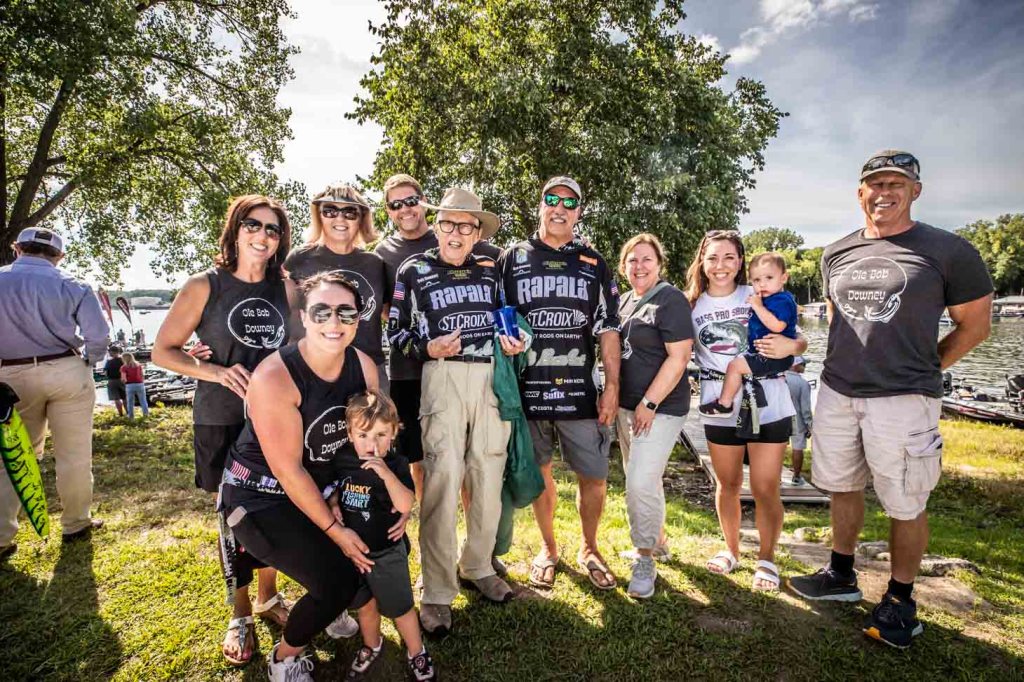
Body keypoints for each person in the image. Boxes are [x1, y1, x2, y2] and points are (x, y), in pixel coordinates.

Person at [789, 150, 993, 649]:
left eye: (896, 184)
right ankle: (840, 575)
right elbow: (839, 319)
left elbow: (975, 326)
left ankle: (901, 601)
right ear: (860, 192)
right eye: (875, 184)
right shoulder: (836, 252)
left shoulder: (949, 250)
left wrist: (928, 367)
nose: (884, 192)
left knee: (905, 501)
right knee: (842, 486)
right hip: (837, 391)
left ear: (915, 191)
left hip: (904, 398)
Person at [152, 195, 302, 666]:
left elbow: (302, 346)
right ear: (235, 230)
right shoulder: (205, 285)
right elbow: (163, 351)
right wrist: (215, 371)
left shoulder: (287, 288)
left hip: (272, 417)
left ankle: (268, 596)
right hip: (220, 415)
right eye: (253, 225)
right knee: (232, 517)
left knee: (275, 509)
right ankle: (239, 614)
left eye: (273, 229)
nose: (263, 235)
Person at [220, 272, 383, 682]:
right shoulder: (275, 377)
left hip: (319, 488)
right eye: (321, 312)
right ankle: (285, 658)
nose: (335, 322)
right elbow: (288, 470)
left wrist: (341, 496)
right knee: (336, 582)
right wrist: (336, 530)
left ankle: (331, 607)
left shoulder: (363, 368)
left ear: (358, 319)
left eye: (346, 312)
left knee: (369, 555)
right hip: (260, 496)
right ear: (304, 318)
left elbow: (360, 442)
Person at [389, 187, 523, 635]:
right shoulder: (413, 269)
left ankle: (478, 566)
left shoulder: (491, 268)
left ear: (477, 233)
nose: (456, 233)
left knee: (488, 473)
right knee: (443, 479)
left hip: (489, 376)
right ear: (437, 225)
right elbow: (396, 332)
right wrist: (427, 347)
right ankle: (437, 590)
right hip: (441, 375)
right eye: (448, 223)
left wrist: (515, 340)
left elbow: (508, 317)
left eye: (467, 226)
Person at [498, 176, 622, 591]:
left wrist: (612, 387)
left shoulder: (593, 262)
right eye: (552, 199)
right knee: (540, 473)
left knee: (595, 475)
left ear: (579, 212)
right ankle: (549, 548)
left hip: (580, 391)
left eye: (570, 203)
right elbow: (498, 316)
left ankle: (590, 547)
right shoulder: (512, 258)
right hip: (528, 390)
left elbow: (608, 328)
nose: (560, 208)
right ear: (540, 205)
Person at [686, 230, 807, 592]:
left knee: (766, 486)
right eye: (713, 258)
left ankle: (767, 559)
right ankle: (731, 550)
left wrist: (794, 346)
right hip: (719, 404)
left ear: (740, 261)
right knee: (728, 484)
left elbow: (799, 340)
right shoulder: (691, 305)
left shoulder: (758, 291)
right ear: (702, 263)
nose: (720, 265)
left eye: (729, 257)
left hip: (768, 400)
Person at [375, 174, 502, 500]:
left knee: (469, 458)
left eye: (410, 200)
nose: (405, 208)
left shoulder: (466, 242)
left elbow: (510, 259)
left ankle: (467, 516)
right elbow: (388, 312)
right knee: (422, 455)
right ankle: (426, 514)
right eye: (395, 204)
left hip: (467, 371)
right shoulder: (386, 253)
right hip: (409, 369)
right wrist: (425, 342)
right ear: (388, 211)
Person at [0, 227, 109, 556]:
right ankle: (76, 521)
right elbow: (98, 335)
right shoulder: (73, 284)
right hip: (65, 368)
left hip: (10, 372)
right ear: (59, 256)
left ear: (17, 248)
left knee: (12, 455)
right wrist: (88, 361)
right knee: (74, 454)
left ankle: (1, 535)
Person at [331, 391, 435, 680]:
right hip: (354, 554)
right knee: (365, 606)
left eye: (380, 435)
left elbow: (405, 504)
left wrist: (386, 474)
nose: (371, 444)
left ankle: (416, 652)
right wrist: (334, 502)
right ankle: (372, 644)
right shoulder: (343, 459)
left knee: (401, 608)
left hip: (386, 551)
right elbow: (335, 487)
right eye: (363, 435)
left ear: (393, 434)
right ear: (350, 434)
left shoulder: (397, 464)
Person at [614, 234, 693, 599]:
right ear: (623, 267)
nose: (639, 266)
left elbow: (679, 358)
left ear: (660, 264)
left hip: (659, 408)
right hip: (627, 406)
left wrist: (649, 402)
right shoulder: (625, 301)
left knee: (639, 483)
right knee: (645, 478)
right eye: (632, 260)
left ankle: (644, 558)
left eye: (647, 259)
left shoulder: (671, 300)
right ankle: (658, 542)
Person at [284, 183, 391, 392]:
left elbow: (389, 312)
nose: (340, 218)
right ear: (319, 216)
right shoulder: (300, 258)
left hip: (369, 370)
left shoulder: (375, 263)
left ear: (361, 218)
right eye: (330, 211)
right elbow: (280, 308)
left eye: (350, 212)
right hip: (313, 370)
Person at [699, 252, 797, 415]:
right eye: (757, 280)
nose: (762, 284)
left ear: (784, 278)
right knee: (738, 364)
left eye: (769, 278)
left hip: (774, 356)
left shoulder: (781, 300)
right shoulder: (768, 298)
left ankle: (724, 404)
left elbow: (778, 326)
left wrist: (758, 307)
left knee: (735, 366)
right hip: (766, 355)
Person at [784, 356, 812, 486]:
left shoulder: (779, 378)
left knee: (779, 447)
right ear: (795, 366)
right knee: (798, 447)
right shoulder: (803, 384)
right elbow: (805, 408)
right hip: (797, 419)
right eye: (803, 364)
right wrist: (809, 425)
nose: (804, 367)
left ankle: (776, 477)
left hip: (780, 417)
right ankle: (796, 477)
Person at [120, 352, 149, 419]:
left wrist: (124, 383)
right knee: (143, 400)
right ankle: (146, 415)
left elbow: (124, 379)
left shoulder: (124, 367)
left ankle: (131, 417)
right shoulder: (138, 365)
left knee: (130, 402)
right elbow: (142, 375)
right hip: (140, 384)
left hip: (130, 385)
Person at [104, 346, 127, 416]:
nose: (109, 353)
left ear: (112, 352)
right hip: (122, 380)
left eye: (109, 352)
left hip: (112, 381)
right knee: (125, 397)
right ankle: (128, 413)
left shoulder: (109, 361)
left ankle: (120, 414)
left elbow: (105, 373)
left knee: (116, 399)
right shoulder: (123, 360)